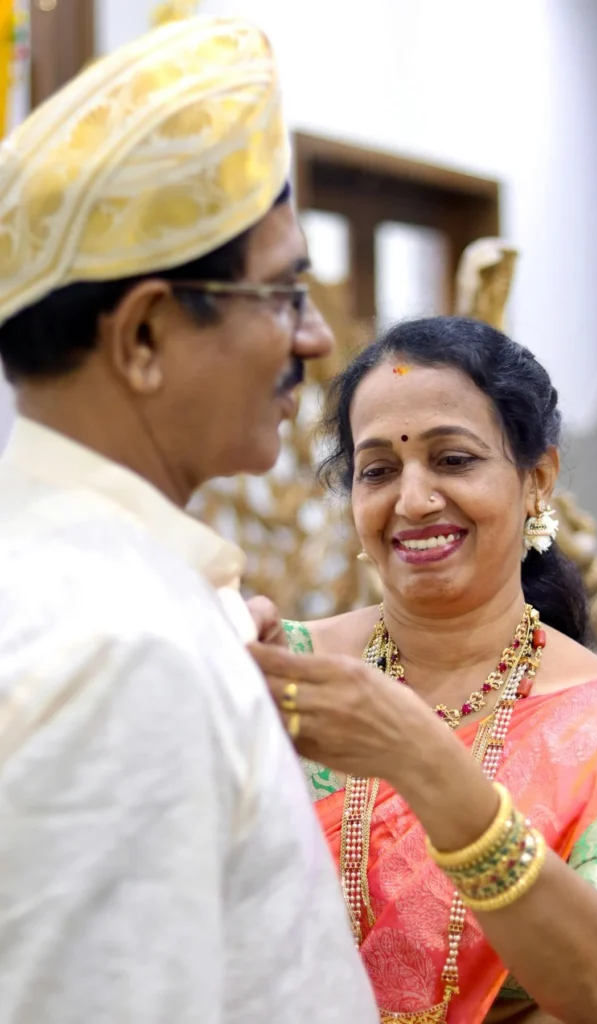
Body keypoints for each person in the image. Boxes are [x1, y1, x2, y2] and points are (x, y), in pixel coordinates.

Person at [0, 16, 379, 1024]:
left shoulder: (113, 588)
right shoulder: (117, 651)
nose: (315, 336)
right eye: (283, 291)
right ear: (145, 336)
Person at [249, 316, 597, 1024]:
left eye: (452, 460)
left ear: (537, 480)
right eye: (378, 471)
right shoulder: (280, 677)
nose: (413, 501)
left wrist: (423, 762)